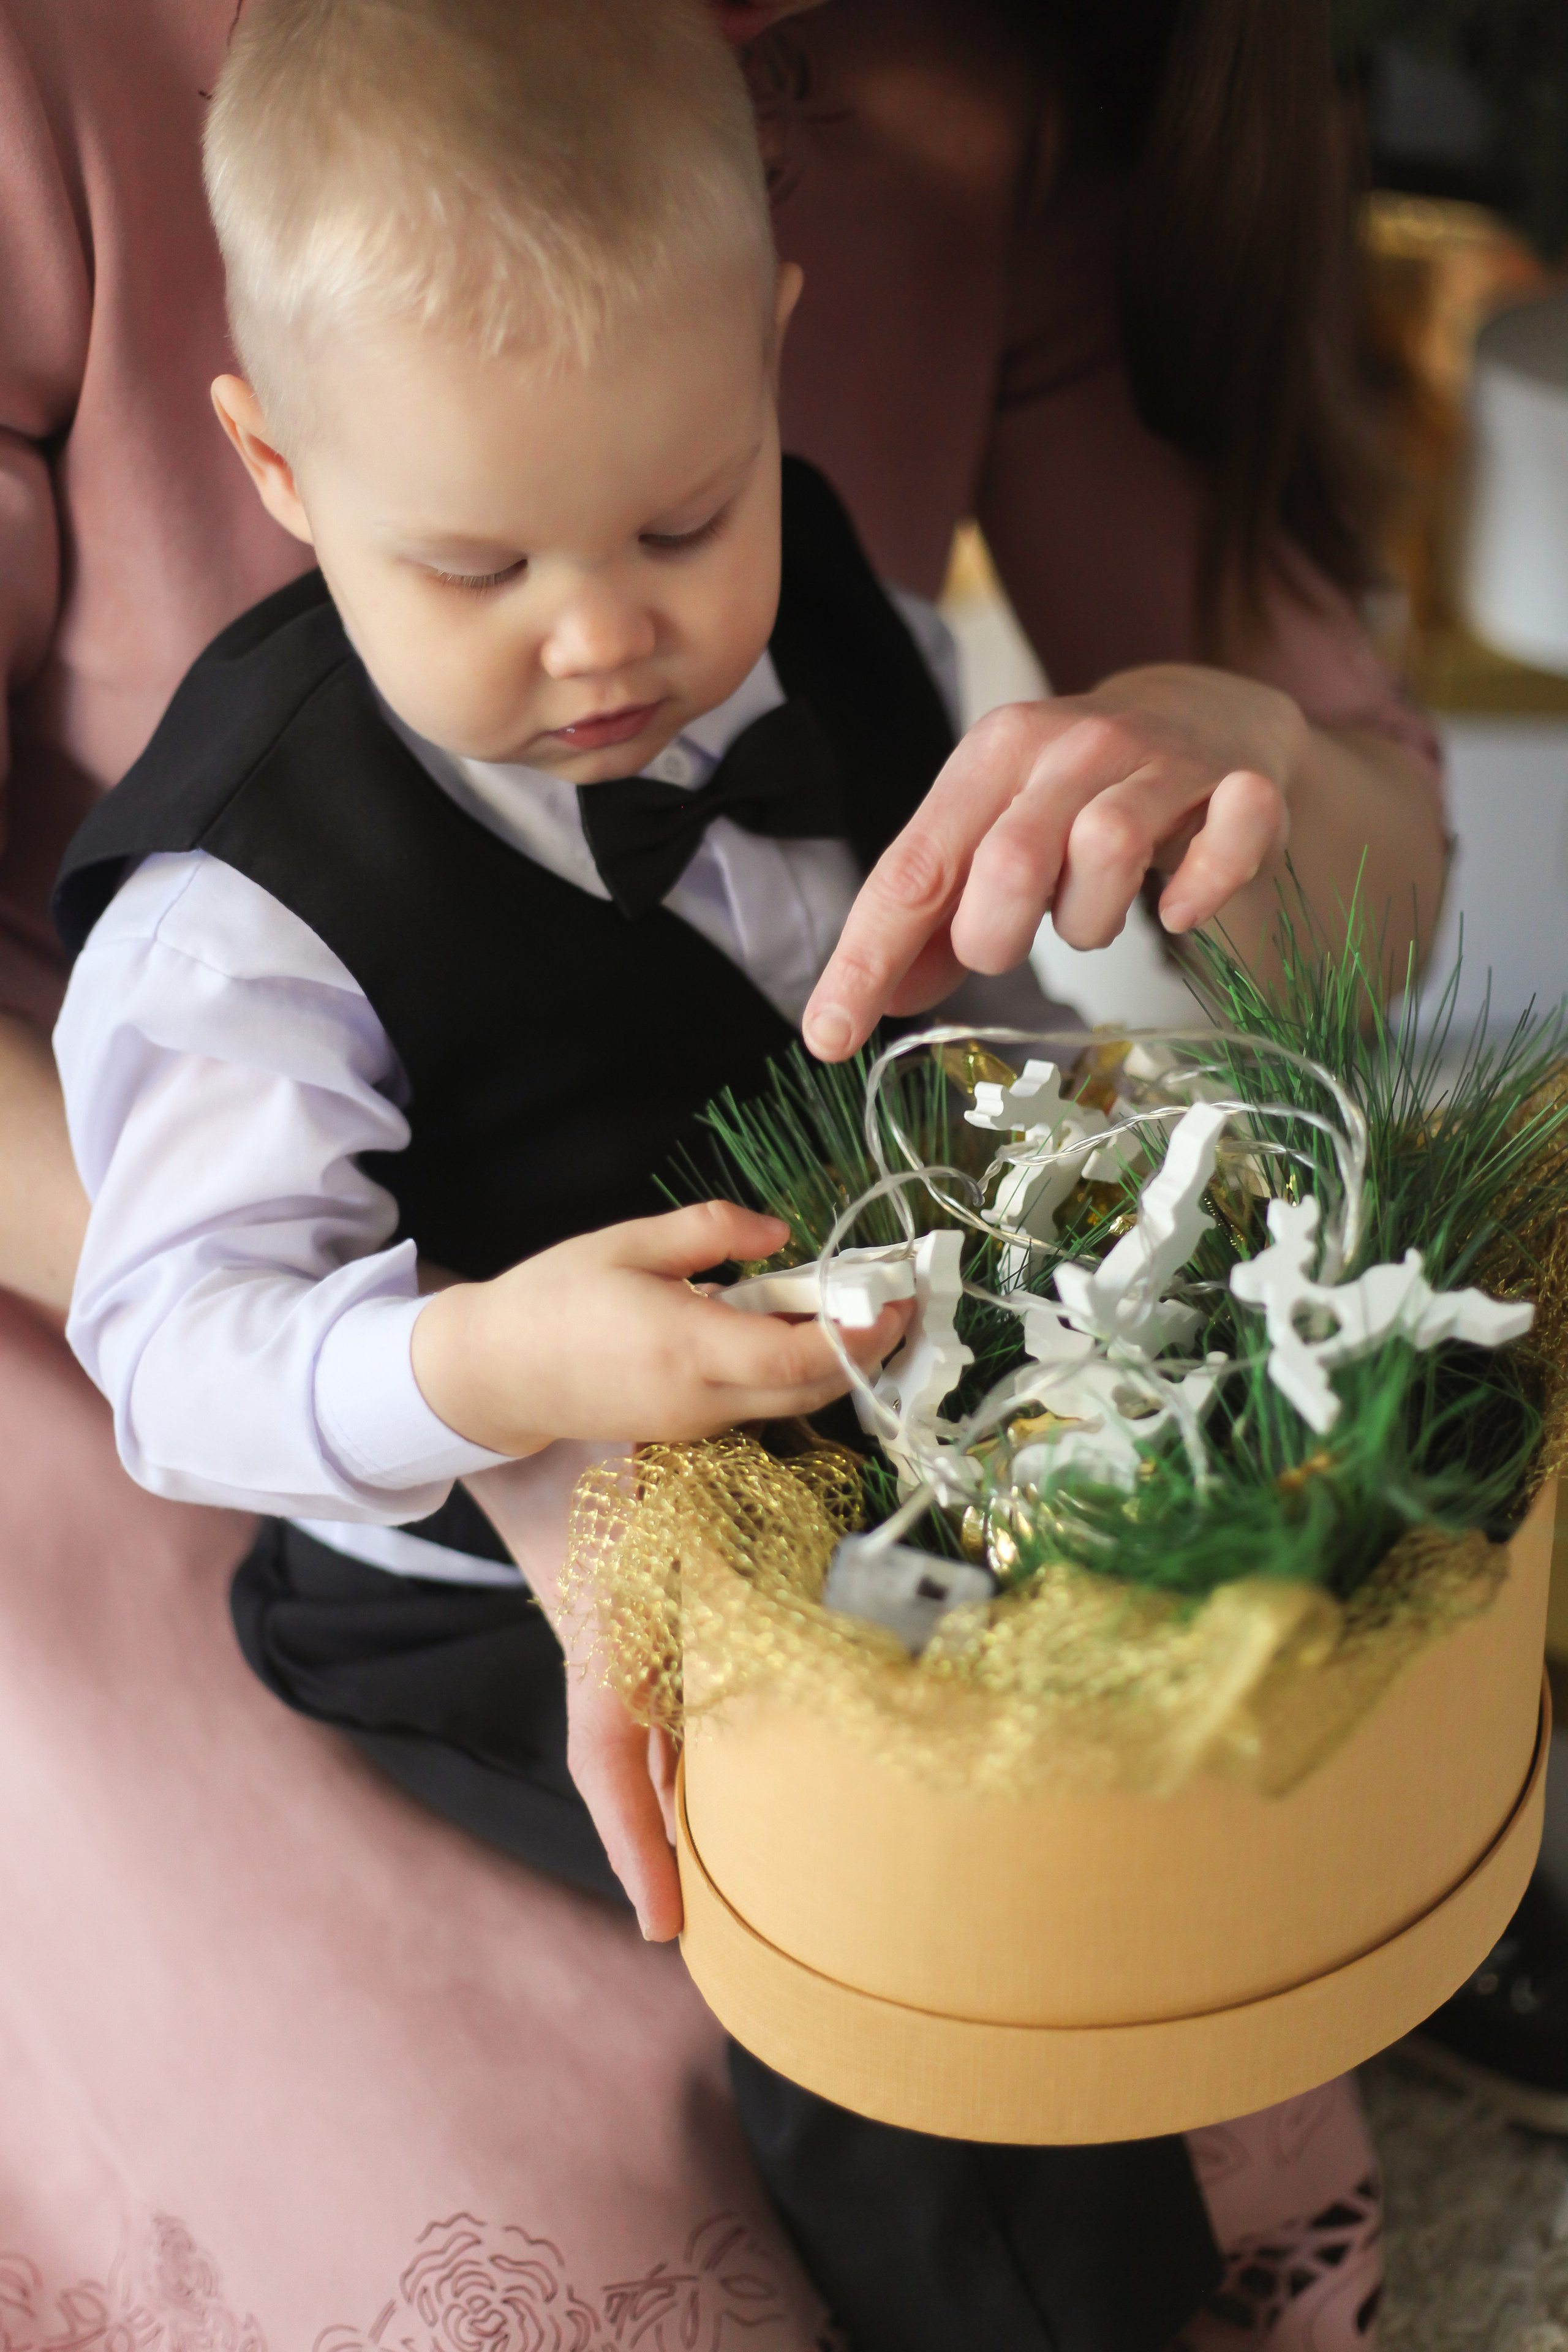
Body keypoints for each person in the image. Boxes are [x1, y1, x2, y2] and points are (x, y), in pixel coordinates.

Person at [0, 0, 1439, 2341]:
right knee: (829, 1905)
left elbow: (941, 995)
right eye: (474, 566)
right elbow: (184, 1349)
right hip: (453, 1565)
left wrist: (1075, 1042)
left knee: (1070, 1768)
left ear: (772, 358)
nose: (605, 643)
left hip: (833, 1422)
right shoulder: (235, 920)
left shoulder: (829, 616)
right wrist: (492, 1373)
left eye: (685, 519)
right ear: (270, 462)